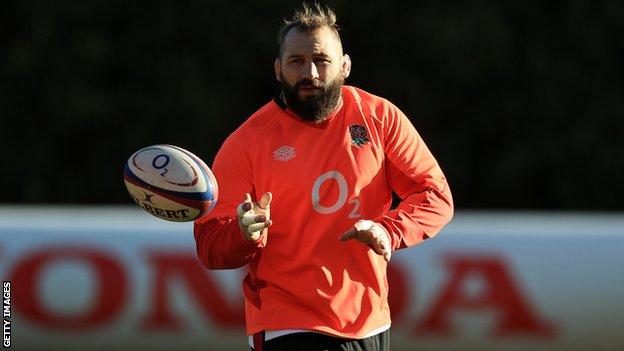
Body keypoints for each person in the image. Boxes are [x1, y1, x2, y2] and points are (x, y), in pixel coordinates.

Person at [194, 3, 453, 350]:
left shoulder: (378, 118)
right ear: (278, 69)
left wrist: (388, 230)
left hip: (368, 320)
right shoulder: (248, 142)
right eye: (296, 61)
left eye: (321, 60)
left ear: (344, 66)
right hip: (286, 321)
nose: (310, 73)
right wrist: (243, 233)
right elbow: (210, 245)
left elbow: (435, 196)